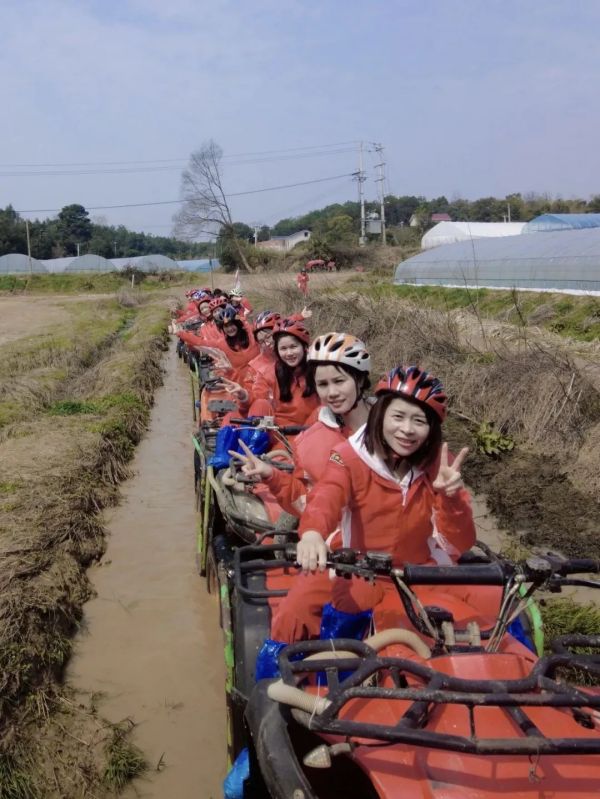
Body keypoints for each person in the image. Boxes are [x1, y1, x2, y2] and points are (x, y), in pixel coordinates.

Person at [270, 365, 475, 642]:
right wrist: (312, 534)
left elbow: (459, 543)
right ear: (380, 415)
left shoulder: (440, 467)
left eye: (419, 421)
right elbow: (326, 497)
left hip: (417, 572)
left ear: (431, 430)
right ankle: (272, 678)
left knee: (490, 608)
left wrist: (451, 500)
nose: (407, 430)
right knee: (292, 617)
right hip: (353, 566)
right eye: (398, 416)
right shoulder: (349, 456)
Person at [231, 332, 371, 516]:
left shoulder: (392, 431)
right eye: (323, 384)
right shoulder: (308, 442)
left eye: (339, 381)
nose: (332, 393)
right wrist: (271, 476)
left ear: (360, 380)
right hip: (333, 535)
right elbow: (305, 500)